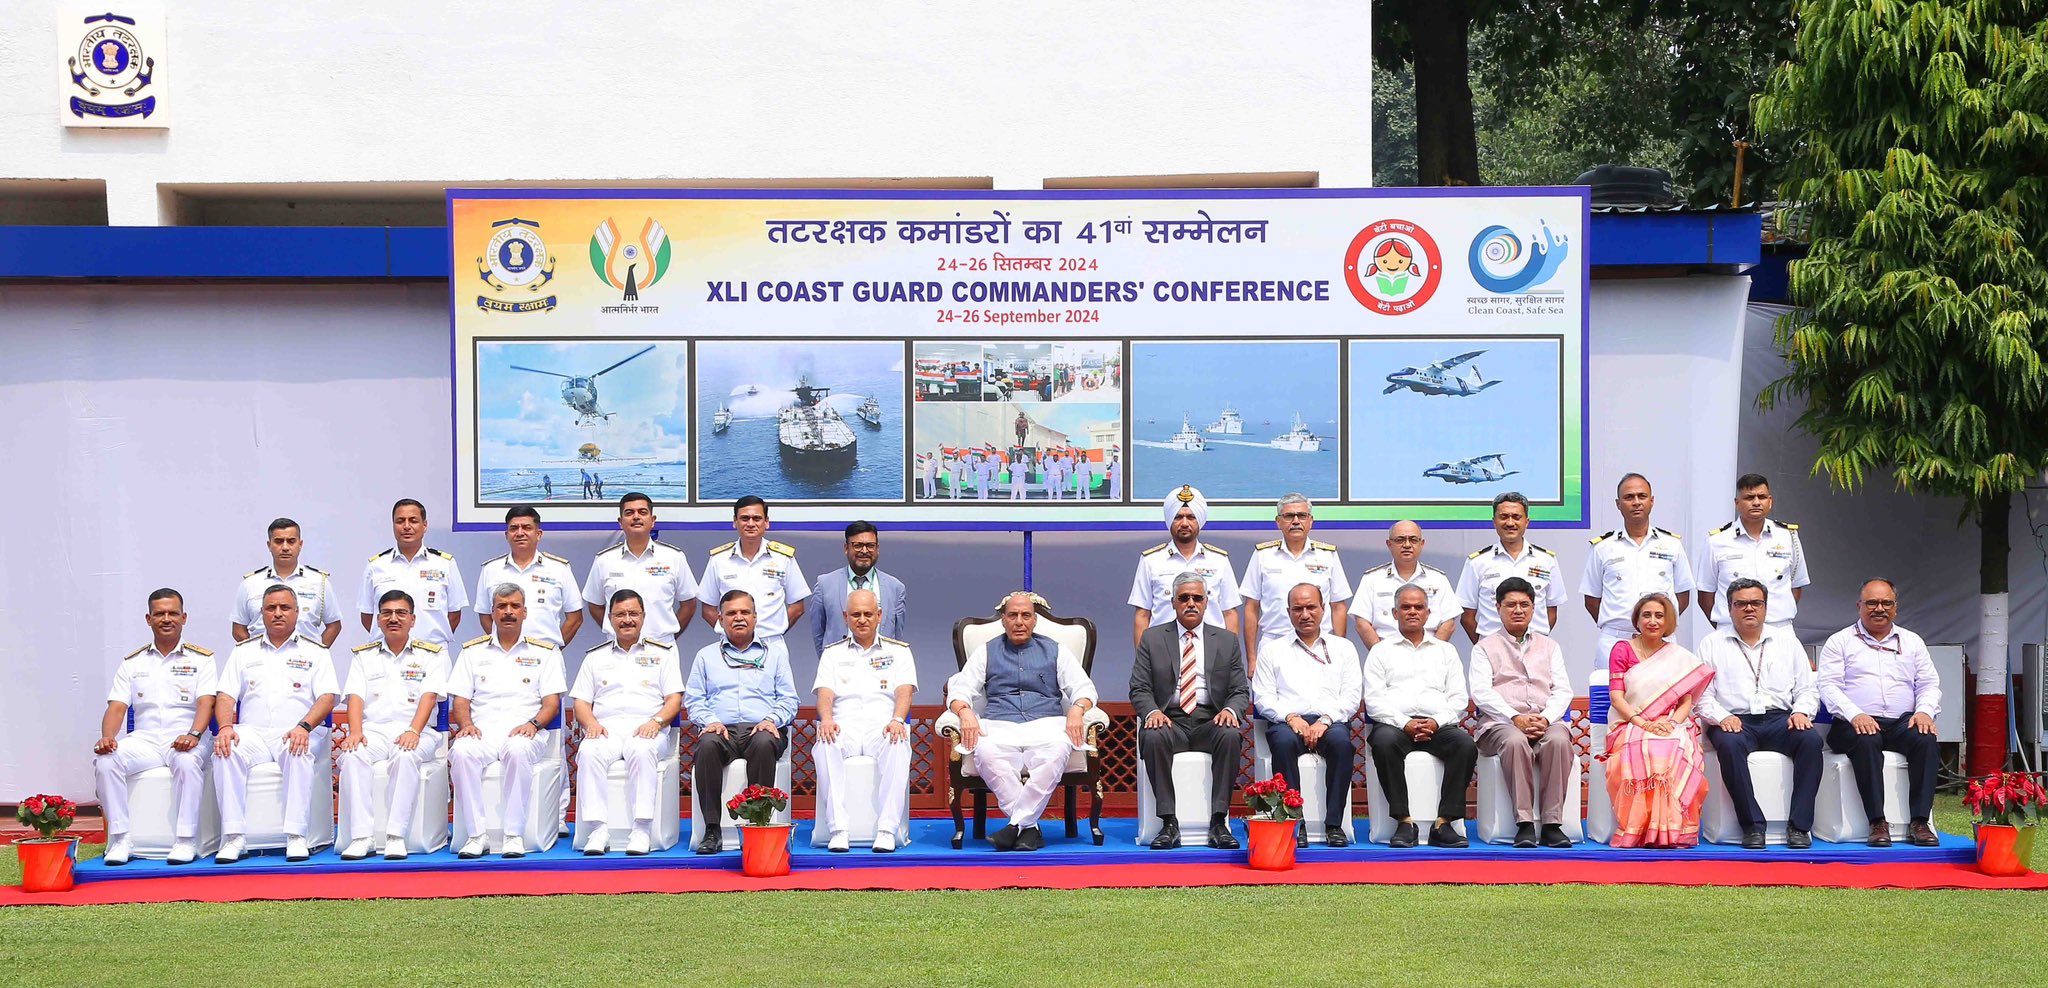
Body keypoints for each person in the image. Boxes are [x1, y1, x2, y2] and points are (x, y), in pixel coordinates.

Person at [945, 591, 1099, 851]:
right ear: (1003, 620)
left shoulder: (1055, 650)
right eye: (1013, 615)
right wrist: (964, 712)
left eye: (1026, 615)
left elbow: (1085, 688)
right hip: (999, 725)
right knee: (984, 752)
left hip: (1046, 723)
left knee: (1059, 749)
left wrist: (1076, 710)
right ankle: (1029, 828)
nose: (1019, 622)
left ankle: (1015, 826)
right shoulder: (986, 651)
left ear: (1034, 620)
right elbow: (960, 690)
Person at [212, 585, 338, 863]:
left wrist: (304, 727)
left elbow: (328, 697)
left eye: (284, 608)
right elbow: (225, 696)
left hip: (295, 730)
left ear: (297, 612)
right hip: (253, 733)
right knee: (225, 750)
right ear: (262, 613)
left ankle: (295, 836)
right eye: (271, 608)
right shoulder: (243, 652)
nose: (278, 613)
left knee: (298, 749)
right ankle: (234, 838)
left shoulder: (316, 651)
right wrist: (224, 728)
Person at [1695, 578, 1821, 849]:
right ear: (1729, 609)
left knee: (1811, 741)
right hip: (1733, 721)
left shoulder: (1787, 641)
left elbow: (1808, 688)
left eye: (1756, 603)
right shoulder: (1712, 644)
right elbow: (1702, 696)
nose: (1749, 608)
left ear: (1765, 607)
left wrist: (1801, 712)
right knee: (1728, 745)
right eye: (1741, 603)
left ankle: (1799, 827)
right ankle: (1752, 826)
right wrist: (1722, 717)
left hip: (1781, 719)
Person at [1816, 579, 1942, 847]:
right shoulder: (1840, 641)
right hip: (1852, 723)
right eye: (1872, 602)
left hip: (1900, 722)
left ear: (1895, 607)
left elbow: (1929, 684)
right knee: (1866, 739)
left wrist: (1924, 711)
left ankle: (1920, 822)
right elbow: (1828, 687)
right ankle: (1877, 822)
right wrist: (1855, 714)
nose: (1879, 608)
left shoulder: (1912, 641)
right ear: (1859, 606)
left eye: (1886, 603)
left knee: (1925, 738)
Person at [94, 589, 216, 866]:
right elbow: (117, 707)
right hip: (146, 740)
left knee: (186, 762)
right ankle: (120, 839)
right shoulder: (132, 663)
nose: (166, 618)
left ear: (184, 618)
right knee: (105, 761)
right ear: (148, 619)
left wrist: (194, 734)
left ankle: (185, 841)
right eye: (159, 613)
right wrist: (107, 738)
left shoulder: (202, 659)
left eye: (173, 613)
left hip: (188, 736)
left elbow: (206, 703)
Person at [446, 584, 566, 859]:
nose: (508, 612)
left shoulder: (545, 653)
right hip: (483, 731)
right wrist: (465, 725)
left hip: (525, 730)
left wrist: (533, 725)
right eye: (502, 606)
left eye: (514, 606)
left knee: (517, 748)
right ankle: (477, 835)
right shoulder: (472, 652)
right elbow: (461, 701)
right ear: (492, 612)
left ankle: (513, 834)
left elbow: (552, 703)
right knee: (462, 752)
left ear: (525, 612)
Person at [1130, 572, 1249, 850]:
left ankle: (1219, 822)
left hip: (1211, 719)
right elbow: (1139, 688)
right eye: (1184, 598)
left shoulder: (1226, 640)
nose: (1191, 603)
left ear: (1207, 602)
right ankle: (1169, 823)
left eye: (1197, 598)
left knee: (1230, 734)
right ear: (1173, 603)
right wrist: (1152, 713)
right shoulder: (1152, 638)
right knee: (1153, 735)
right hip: (1171, 721)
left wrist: (1231, 710)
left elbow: (1240, 690)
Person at [335, 590, 449, 860]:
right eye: (387, 613)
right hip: (373, 732)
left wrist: (413, 731)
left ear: (412, 619)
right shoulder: (364, 656)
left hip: (418, 731)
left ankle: (396, 836)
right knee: (352, 755)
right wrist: (355, 733)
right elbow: (355, 697)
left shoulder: (432, 655)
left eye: (400, 613)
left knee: (405, 754)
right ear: (378, 619)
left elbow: (429, 696)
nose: (393, 618)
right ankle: (362, 837)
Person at [685, 590, 799, 854]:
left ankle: (757, 826)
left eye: (745, 612)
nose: (739, 618)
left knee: (763, 742)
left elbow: (789, 700)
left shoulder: (775, 655)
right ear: (720, 619)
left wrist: (772, 719)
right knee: (707, 746)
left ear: (756, 618)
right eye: (732, 613)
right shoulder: (705, 656)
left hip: (762, 728)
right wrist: (710, 720)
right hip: (720, 729)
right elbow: (694, 700)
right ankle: (711, 830)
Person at [1362, 586, 1476, 848]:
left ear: (1428, 613)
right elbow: (1375, 700)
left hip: (1437, 723)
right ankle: (1404, 821)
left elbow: (1458, 698)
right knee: (1383, 743)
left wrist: (1436, 721)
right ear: (1394, 613)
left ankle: (1444, 823)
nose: (1412, 612)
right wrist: (1405, 723)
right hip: (1395, 724)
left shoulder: (1445, 651)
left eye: (1418, 607)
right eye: (1405, 607)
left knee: (1465, 745)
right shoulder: (1381, 651)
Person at [571, 590, 683, 856]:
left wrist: (656, 722)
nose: (627, 620)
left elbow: (674, 699)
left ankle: (641, 829)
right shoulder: (595, 657)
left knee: (641, 749)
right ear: (610, 618)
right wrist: (590, 724)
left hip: (647, 727)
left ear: (643, 617)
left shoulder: (663, 654)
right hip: (606, 728)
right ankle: (597, 830)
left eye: (633, 614)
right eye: (620, 614)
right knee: (588, 750)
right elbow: (581, 703)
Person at [1251, 584, 1362, 848]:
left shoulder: (1343, 648)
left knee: (1342, 746)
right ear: (1288, 612)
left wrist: (1324, 721)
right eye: (1298, 608)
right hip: (1287, 722)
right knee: (1282, 743)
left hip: (1330, 721)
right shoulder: (1273, 650)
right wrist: (1290, 717)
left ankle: (1334, 825)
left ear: (1323, 609)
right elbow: (1263, 696)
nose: (1305, 614)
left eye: (1311, 607)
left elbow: (1351, 697)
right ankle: (1293, 822)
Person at [1467, 577, 1575, 848]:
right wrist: (1515, 718)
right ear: (1498, 607)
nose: (1518, 610)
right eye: (1511, 604)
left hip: (1544, 718)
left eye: (1524, 605)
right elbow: (1481, 693)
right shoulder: (1484, 648)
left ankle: (1552, 825)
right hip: (1500, 723)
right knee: (1515, 742)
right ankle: (1524, 824)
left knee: (1559, 740)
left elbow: (1563, 690)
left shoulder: (1550, 647)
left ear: (1533, 607)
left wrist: (1546, 718)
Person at [1605, 592, 1714, 849]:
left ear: (1668, 622)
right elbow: (1617, 698)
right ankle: (1639, 829)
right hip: (1629, 721)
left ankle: (1671, 830)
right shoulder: (1622, 650)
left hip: (1670, 723)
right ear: (1637, 619)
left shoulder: (1678, 656)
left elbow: (1685, 701)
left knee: (1675, 748)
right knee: (1645, 747)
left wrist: (1672, 724)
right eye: (1646, 615)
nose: (1652, 621)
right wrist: (1642, 723)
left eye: (1659, 616)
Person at [814, 589, 918, 852]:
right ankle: (838, 829)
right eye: (856, 614)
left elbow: (904, 691)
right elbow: (825, 693)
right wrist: (826, 719)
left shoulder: (899, 652)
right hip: (843, 726)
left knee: (898, 741)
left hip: (881, 726)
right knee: (825, 743)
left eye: (868, 614)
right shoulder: (832, 653)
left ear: (879, 615)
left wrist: (897, 719)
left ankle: (886, 830)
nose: (862, 619)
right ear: (846, 617)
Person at [1582, 475, 1695, 661]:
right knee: (1614, 690)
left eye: (1642, 496)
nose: (1636, 502)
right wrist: (1622, 625)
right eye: (1629, 497)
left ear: (1652, 501)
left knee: (1664, 690)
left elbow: (1683, 595)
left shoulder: (1672, 545)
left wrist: (1658, 625)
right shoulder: (1602, 548)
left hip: (1661, 641)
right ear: (1618, 504)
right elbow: (1592, 600)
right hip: (1616, 640)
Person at [1241, 494, 1352, 674]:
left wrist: (1338, 651)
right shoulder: (1263, 555)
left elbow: (1338, 606)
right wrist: (1252, 659)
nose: (1295, 521)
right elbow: (1251, 608)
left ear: (1310, 521)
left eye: (1301, 516)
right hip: (1274, 643)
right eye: (1288, 516)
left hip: (1319, 643)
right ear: (1278, 522)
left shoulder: (1327, 555)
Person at [1129, 485, 1242, 649]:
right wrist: (1144, 662)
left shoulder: (1219, 560)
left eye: (1191, 517)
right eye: (1178, 517)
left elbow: (1230, 613)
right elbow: (1142, 615)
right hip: (1162, 651)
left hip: (1211, 652)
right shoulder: (1151, 560)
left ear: (1199, 521)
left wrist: (1228, 657)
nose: (1184, 523)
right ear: (1169, 521)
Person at [582, 491, 699, 645]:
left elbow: (689, 604)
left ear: (653, 520)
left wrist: (667, 636)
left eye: (642, 512)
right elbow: (595, 605)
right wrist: (619, 632)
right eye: (629, 513)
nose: (636, 517)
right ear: (620, 521)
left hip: (662, 647)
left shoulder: (674, 557)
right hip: (618, 649)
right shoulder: (604, 560)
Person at [1696, 474, 1809, 631]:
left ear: (1770, 501)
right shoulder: (1717, 541)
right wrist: (1728, 625)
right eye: (1749, 498)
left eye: (1761, 497)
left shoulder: (1788, 537)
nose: (1756, 502)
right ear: (1737, 503)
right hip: (1731, 630)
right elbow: (1705, 595)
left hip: (1779, 629)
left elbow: (1796, 585)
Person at [359, 499, 469, 651]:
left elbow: (454, 614)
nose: (406, 526)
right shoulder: (376, 566)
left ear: (425, 525)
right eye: (400, 521)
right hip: (387, 654)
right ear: (393, 526)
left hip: (433, 653)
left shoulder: (445, 564)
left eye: (413, 521)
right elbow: (367, 616)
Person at [697, 496, 809, 642]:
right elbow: (707, 609)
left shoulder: (783, 558)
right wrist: (732, 634)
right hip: (731, 645)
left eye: (756, 518)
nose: (751, 523)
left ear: (766, 522)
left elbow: (798, 607)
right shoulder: (719, 559)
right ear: (735, 522)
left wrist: (775, 630)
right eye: (744, 518)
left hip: (771, 642)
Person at [1456, 492, 1565, 643]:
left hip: (1535, 649)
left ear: (1527, 522)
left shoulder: (1546, 560)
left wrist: (1534, 642)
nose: (1510, 523)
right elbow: (1467, 617)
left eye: (1516, 517)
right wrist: (1488, 645)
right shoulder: (1477, 562)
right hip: (1492, 650)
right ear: (1494, 521)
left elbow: (1551, 611)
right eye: (1504, 516)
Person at [475, 506, 583, 649]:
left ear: (538, 534)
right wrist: (505, 645)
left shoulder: (559, 569)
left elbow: (575, 618)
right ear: (506, 535)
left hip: (546, 656)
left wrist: (553, 650)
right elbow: (485, 616)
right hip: (504, 655)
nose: (520, 533)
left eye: (526, 527)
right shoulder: (491, 569)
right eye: (514, 528)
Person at [231, 517, 341, 647]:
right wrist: (254, 652)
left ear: (300, 545)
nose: (285, 547)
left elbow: (334, 625)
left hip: (305, 663)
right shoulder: (250, 584)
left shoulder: (319, 582)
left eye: (291, 541)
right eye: (278, 541)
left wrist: (316, 653)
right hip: (261, 662)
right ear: (269, 545)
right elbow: (238, 629)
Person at [1354, 520, 1458, 649]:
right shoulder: (1372, 579)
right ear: (1389, 544)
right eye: (1400, 540)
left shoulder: (1438, 579)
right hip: (1386, 654)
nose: (1407, 545)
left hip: (1429, 655)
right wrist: (1381, 654)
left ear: (1422, 544)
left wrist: (1432, 653)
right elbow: (1361, 623)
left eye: (1413, 540)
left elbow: (1449, 623)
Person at [809, 521, 908, 654]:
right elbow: (818, 633)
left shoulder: (895, 588)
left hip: (880, 666)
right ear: (846, 548)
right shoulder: (825, 584)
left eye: (870, 546)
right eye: (858, 545)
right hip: (839, 666)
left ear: (877, 549)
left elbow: (897, 637)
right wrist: (828, 662)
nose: (864, 551)